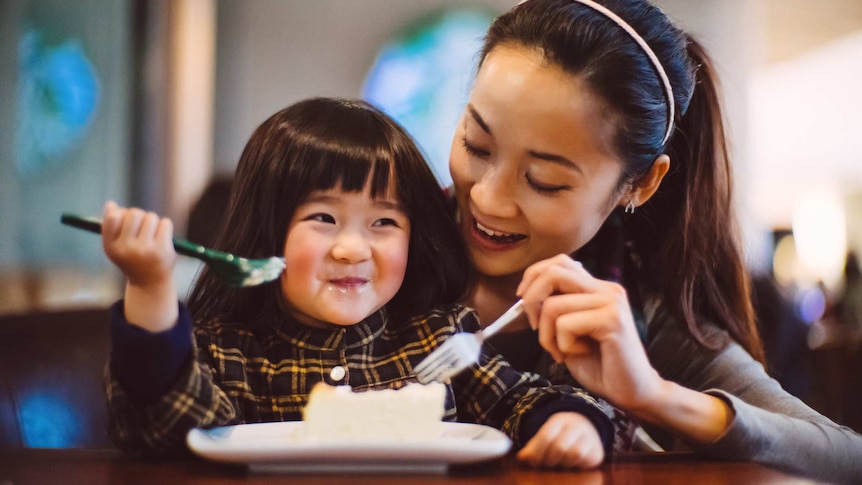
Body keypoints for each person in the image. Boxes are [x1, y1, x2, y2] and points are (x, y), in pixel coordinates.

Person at [447, 0, 862, 482]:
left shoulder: (637, 319)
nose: (489, 198)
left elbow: (846, 456)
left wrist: (653, 394)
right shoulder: (374, 250)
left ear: (638, 184)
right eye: (476, 146)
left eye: (543, 180)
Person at [101, 97, 613, 468]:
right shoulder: (229, 350)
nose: (352, 249)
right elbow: (169, 426)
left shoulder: (435, 339)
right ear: (268, 231)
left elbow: (519, 400)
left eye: (383, 223)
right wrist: (149, 284)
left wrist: (571, 424)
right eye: (323, 218)